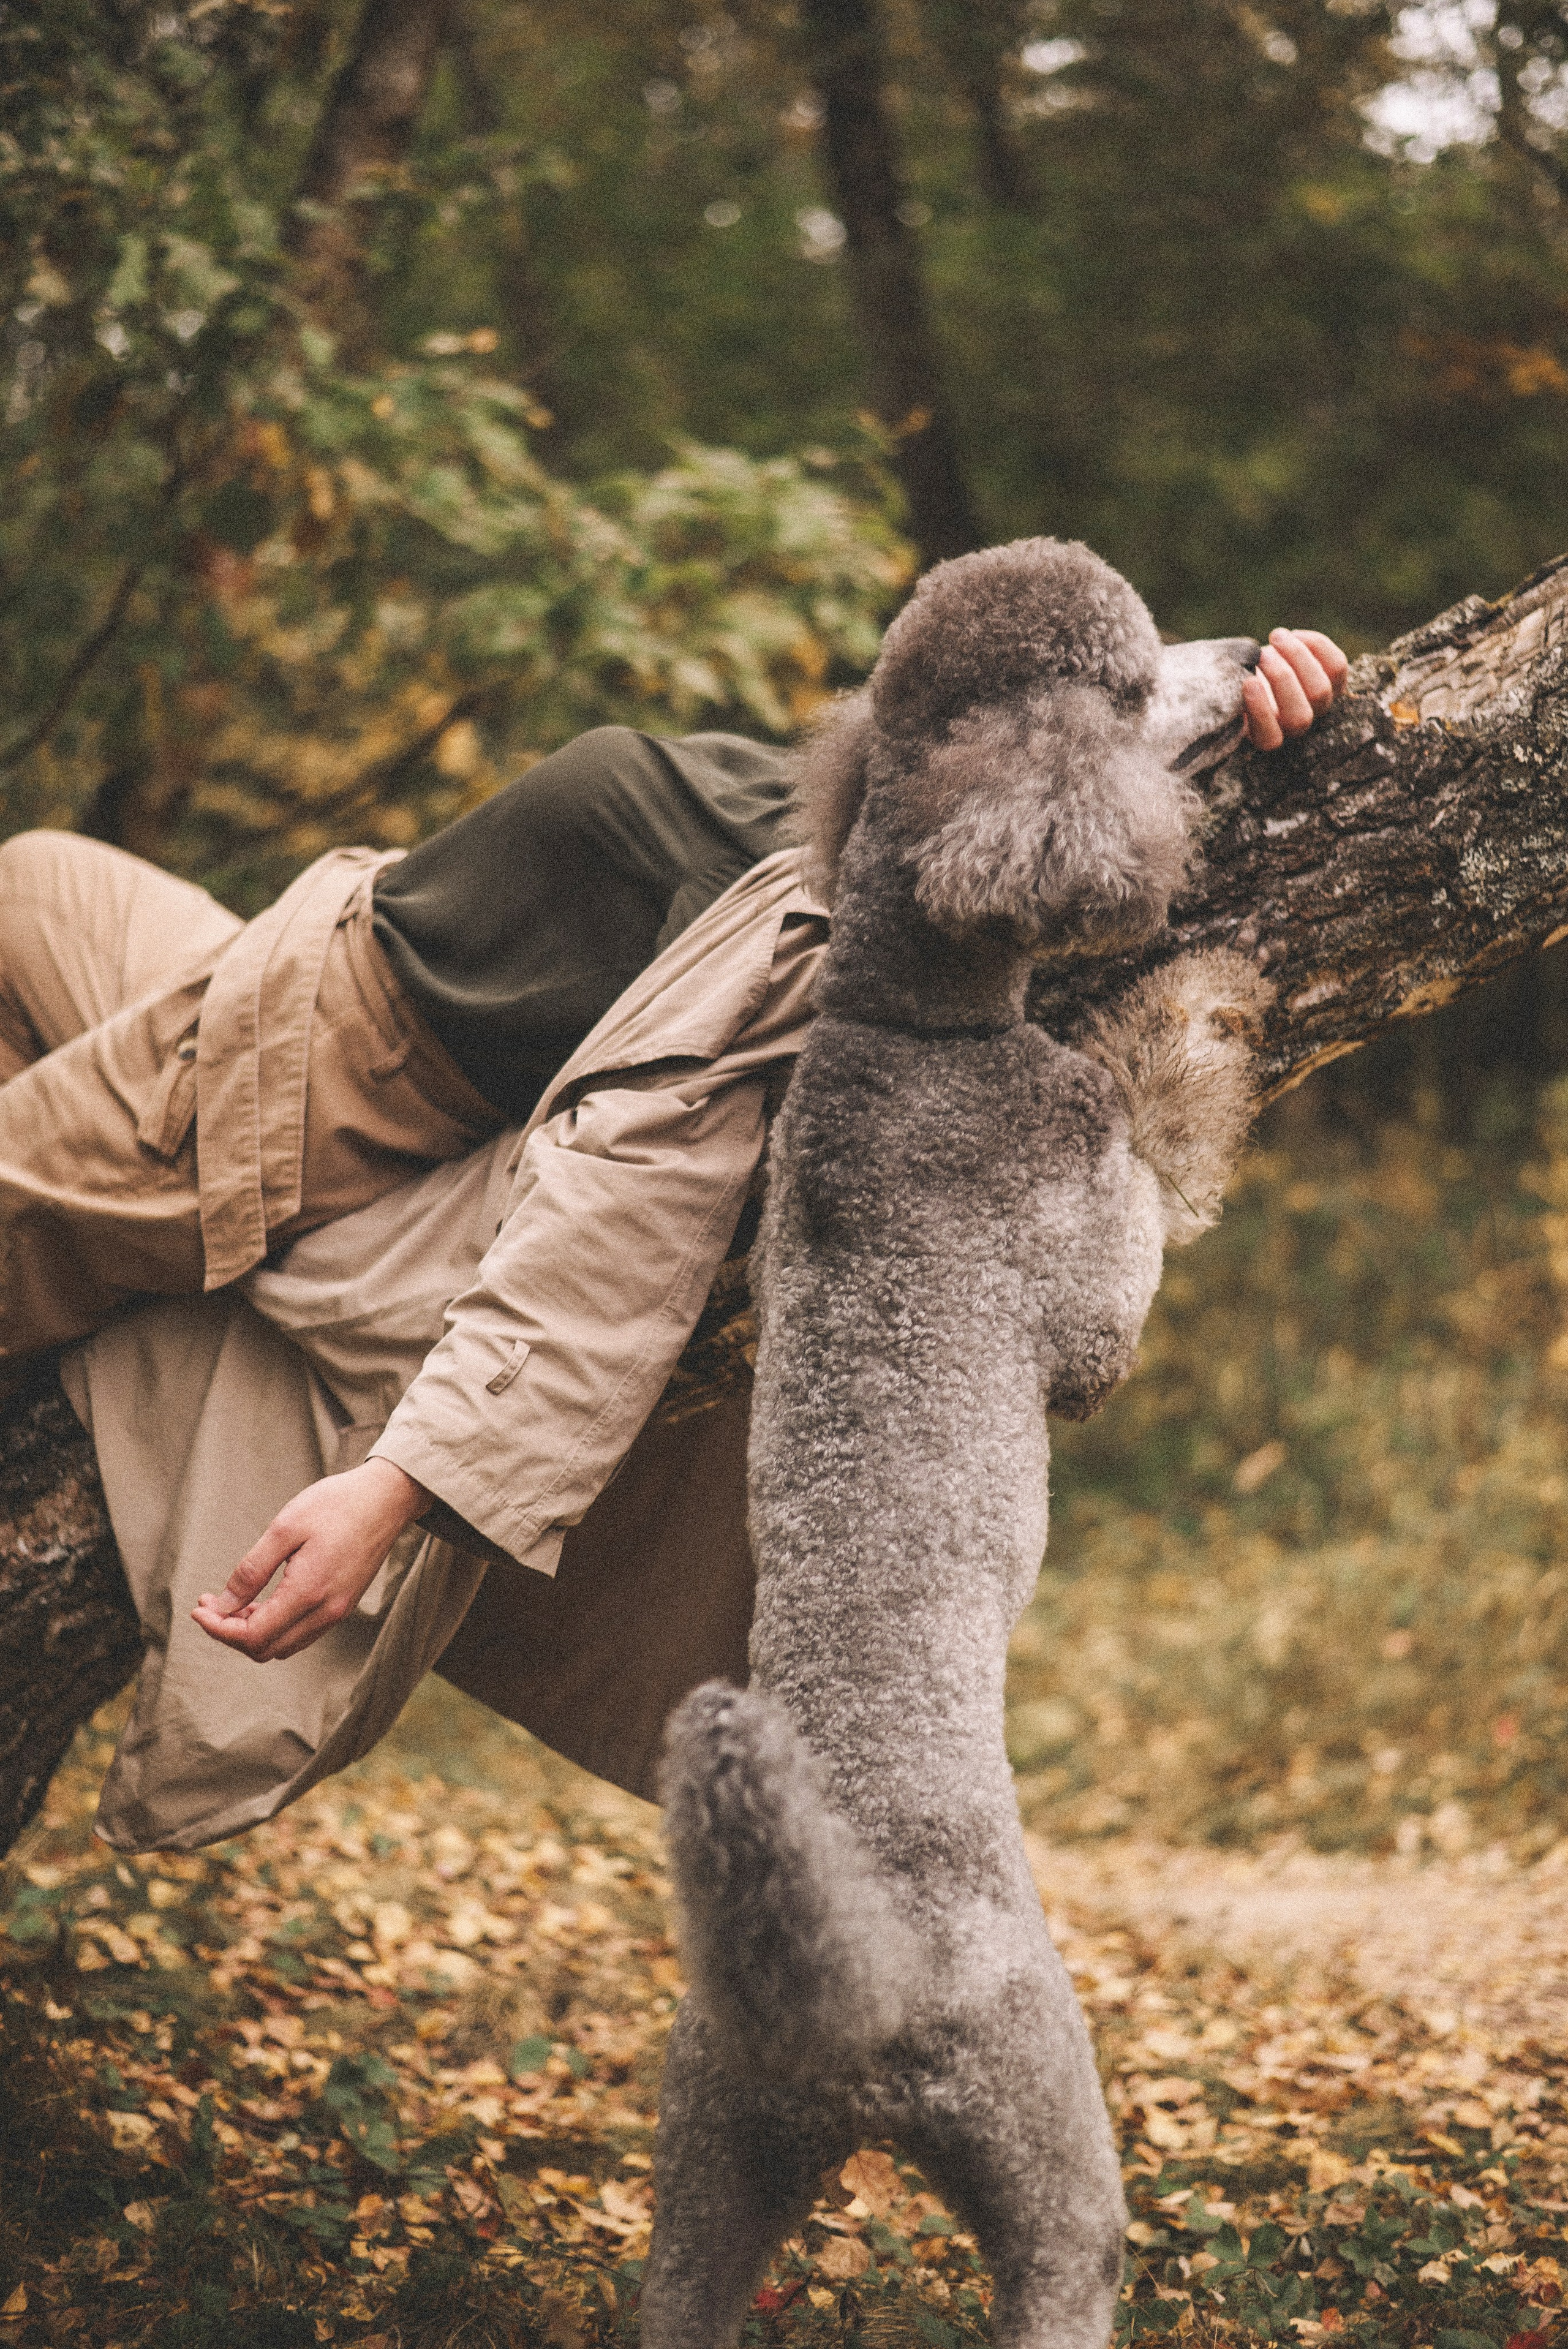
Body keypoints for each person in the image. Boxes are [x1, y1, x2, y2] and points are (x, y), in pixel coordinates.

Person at [0, 625, 1348, 1678]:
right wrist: (1246, 670)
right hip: (313, 921)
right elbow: (1095, 664)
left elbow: (628, 1197)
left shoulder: (816, 931)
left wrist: (398, 1487)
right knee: (38, 881)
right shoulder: (894, 791)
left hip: (301, 1066)